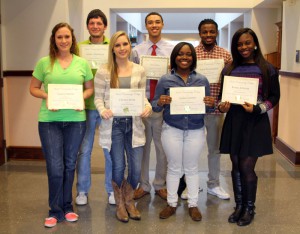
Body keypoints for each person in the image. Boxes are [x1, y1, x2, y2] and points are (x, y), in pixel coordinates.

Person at [29, 22, 94, 228]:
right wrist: (48, 96)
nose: (64, 40)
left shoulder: (82, 63)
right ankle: (54, 210)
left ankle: (67, 207)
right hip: (49, 121)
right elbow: (33, 88)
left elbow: (89, 89)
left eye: (67, 37)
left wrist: (79, 99)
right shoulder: (44, 63)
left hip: (76, 121)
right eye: (59, 37)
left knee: (69, 165)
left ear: (72, 39)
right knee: (55, 167)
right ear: (54, 40)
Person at [218, 28, 280, 226]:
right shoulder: (228, 68)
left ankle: (249, 207)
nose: (243, 47)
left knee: (246, 167)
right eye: (239, 44)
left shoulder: (267, 68)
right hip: (234, 120)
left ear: (254, 44)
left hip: (255, 121)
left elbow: (274, 97)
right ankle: (239, 206)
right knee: (235, 165)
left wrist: (258, 108)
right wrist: (222, 106)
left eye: (247, 43)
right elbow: (222, 98)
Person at [152, 42, 215, 221]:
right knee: (173, 167)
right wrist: (161, 102)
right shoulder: (165, 79)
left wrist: (211, 104)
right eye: (180, 54)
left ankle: (193, 204)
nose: (184, 57)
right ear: (175, 57)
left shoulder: (202, 80)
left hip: (195, 129)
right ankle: (172, 204)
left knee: (192, 167)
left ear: (193, 57)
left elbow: (209, 109)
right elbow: (155, 106)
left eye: (188, 54)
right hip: (172, 129)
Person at [94, 31, 152, 222]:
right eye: (117, 45)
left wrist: (147, 106)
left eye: (125, 44)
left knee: (135, 168)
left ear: (130, 46)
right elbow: (98, 98)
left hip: (133, 124)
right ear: (112, 48)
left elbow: (142, 96)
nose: (122, 48)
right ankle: (121, 204)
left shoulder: (139, 70)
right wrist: (103, 110)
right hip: (114, 125)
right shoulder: (104, 71)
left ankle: (129, 200)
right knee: (118, 166)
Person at [181, 19, 232, 200]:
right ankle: (189, 186)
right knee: (190, 150)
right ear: (199, 33)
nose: (208, 35)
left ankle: (214, 184)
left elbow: (229, 83)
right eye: (204, 32)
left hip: (216, 111)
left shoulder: (225, 55)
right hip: (193, 110)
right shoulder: (192, 54)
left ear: (217, 32)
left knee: (214, 150)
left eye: (211, 32)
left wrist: (224, 102)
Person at [131, 12, 174, 200]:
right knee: (142, 147)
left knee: (162, 147)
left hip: (163, 106)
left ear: (163, 24)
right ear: (146, 26)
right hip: (142, 106)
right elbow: (132, 77)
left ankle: (160, 184)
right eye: (150, 22)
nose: (154, 25)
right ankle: (144, 184)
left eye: (157, 22)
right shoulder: (137, 51)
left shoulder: (172, 50)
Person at [76, 9, 115, 206]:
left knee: (110, 149)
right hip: (86, 106)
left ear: (105, 26)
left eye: (99, 23)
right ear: (87, 26)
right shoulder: (79, 48)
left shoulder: (113, 46)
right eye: (92, 23)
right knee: (84, 150)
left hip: (108, 106)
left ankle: (112, 189)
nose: (95, 26)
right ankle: (82, 190)